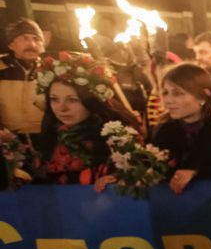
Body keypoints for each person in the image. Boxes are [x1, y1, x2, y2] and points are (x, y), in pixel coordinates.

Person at [35, 52, 139, 185]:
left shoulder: (118, 137)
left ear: (92, 101)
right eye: (54, 99)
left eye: (72, 100)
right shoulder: (51, 133)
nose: (62, 108)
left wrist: (117, 179)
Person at [149, 63, 211, 193]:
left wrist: (197, 173)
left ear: (203, 96)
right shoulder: (164, 130)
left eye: (178, 93)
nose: (168, 100)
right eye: (165, 93)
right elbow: (149, 167)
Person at [0, 18, 45, 139]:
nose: (32, 44)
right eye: (25, 39)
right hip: (9, 140)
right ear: (11, 44)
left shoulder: (50, 70)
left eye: (36, 39)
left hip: (46, 138)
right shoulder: (1, 69)